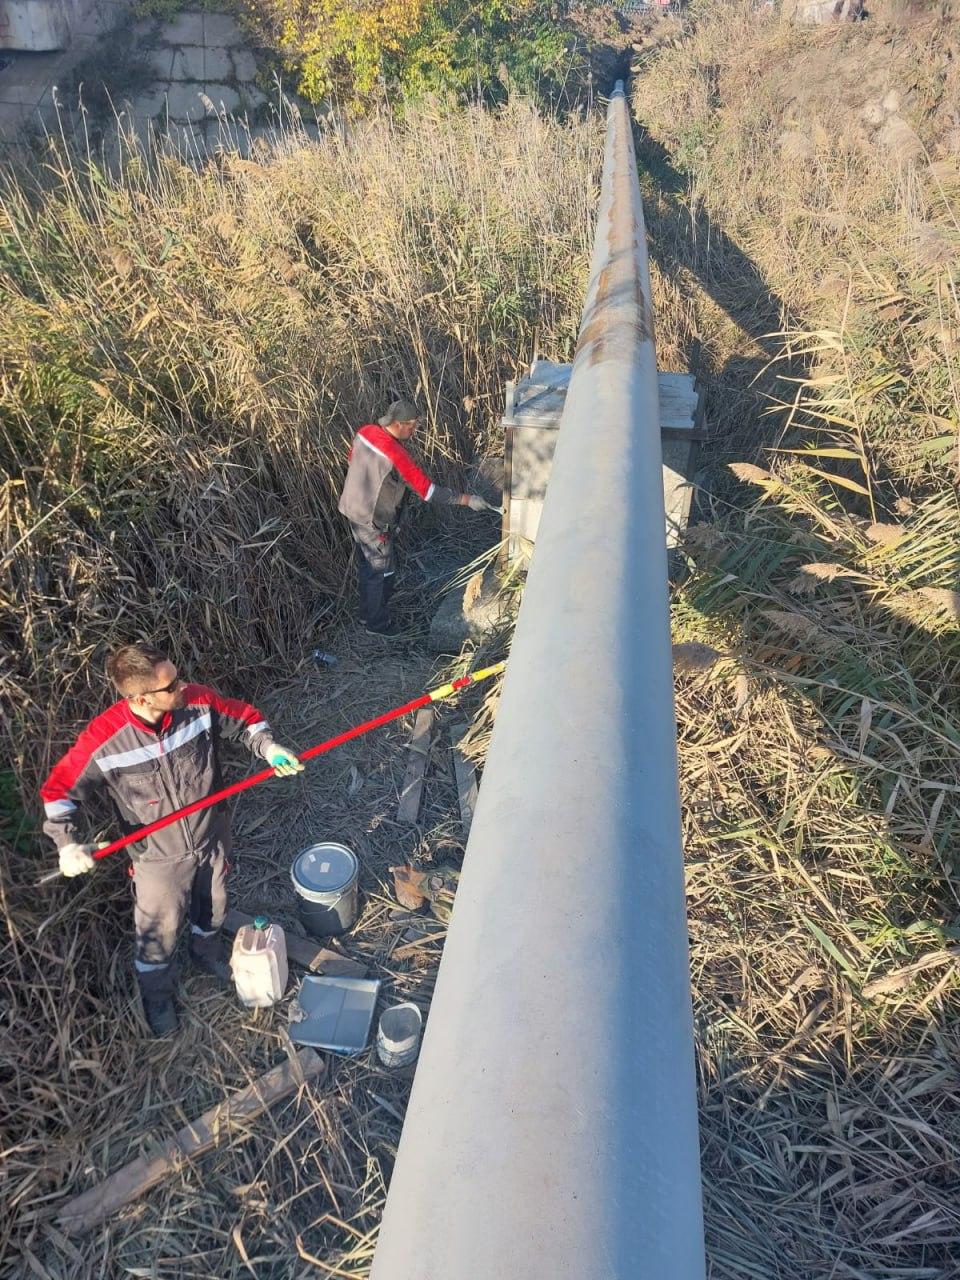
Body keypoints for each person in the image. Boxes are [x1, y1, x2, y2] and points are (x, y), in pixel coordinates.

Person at [39, 644, 303, 1036]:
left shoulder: (197, 702)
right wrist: (67, 844)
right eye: (171, 685)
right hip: (157, 859)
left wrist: (270, 748)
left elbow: (246, 719)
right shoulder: (105, 739)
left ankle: (206, 954)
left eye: (177, 677)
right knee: (156, 935)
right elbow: (58, 792)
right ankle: (157, 998)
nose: (183, 686)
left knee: (213, 906)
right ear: (141, 697)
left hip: (210, 835)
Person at [337, 398, 494, 636]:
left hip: (351, 507)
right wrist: (467, 500)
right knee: (381, 570)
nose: (414, 430)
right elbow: (428, 491)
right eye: (413, 426)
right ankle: (376, 625)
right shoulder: (396, 454)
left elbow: (352, 460)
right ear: (399, 424)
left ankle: (365, 614)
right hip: (374, 519)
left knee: (367, 564)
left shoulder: (365, 432)